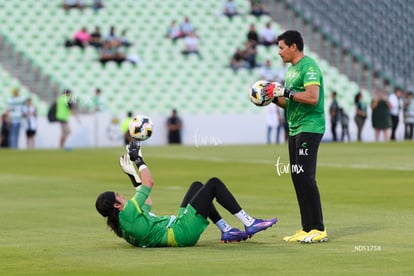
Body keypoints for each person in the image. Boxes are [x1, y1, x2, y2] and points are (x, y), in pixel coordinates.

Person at [95, 142, 278, 247]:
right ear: (116, 206)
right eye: (118, 196)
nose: (122, 196)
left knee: (198, 186)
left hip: (177, 229)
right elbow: (149, 183)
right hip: (181, 232)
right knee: (213, 183)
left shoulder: (123, 223)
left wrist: (132, 175)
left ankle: (226, 230)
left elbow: (147, 202)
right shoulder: (127, 213)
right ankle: (249, 222)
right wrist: (138, 160)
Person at [265, 30, 327, 243]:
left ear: (293, 47)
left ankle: (319, 228)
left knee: (305, 176)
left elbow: (312, 97)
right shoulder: (291, 71)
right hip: (294, 129)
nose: (279, 52)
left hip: (310, 128)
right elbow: (290, 102)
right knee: (297, 176)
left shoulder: (309, 66)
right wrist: (270, 98)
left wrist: (286, 92)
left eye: (282, 47)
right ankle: (307, 228)